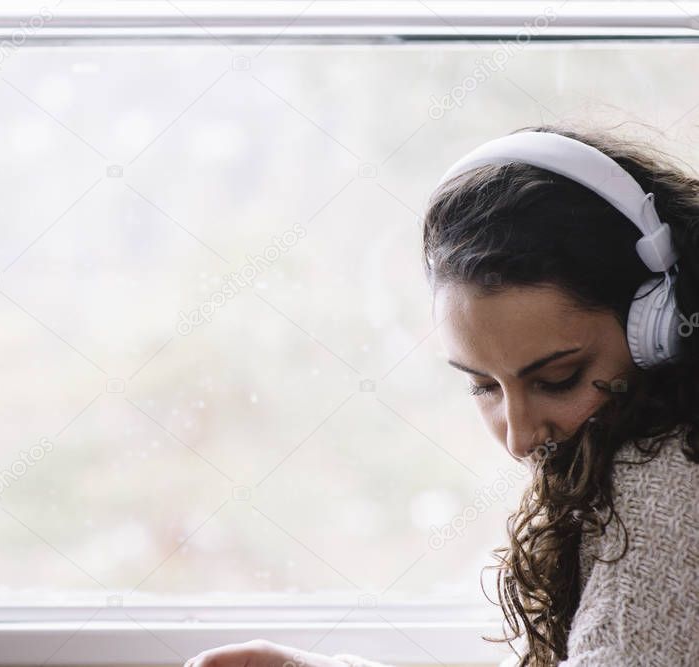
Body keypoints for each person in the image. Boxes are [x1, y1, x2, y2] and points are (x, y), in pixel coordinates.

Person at [183, 124, 699, 667]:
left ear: (661, 329)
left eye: (557, 379)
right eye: (483, 385)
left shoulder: (667, 479)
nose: (520, 438)